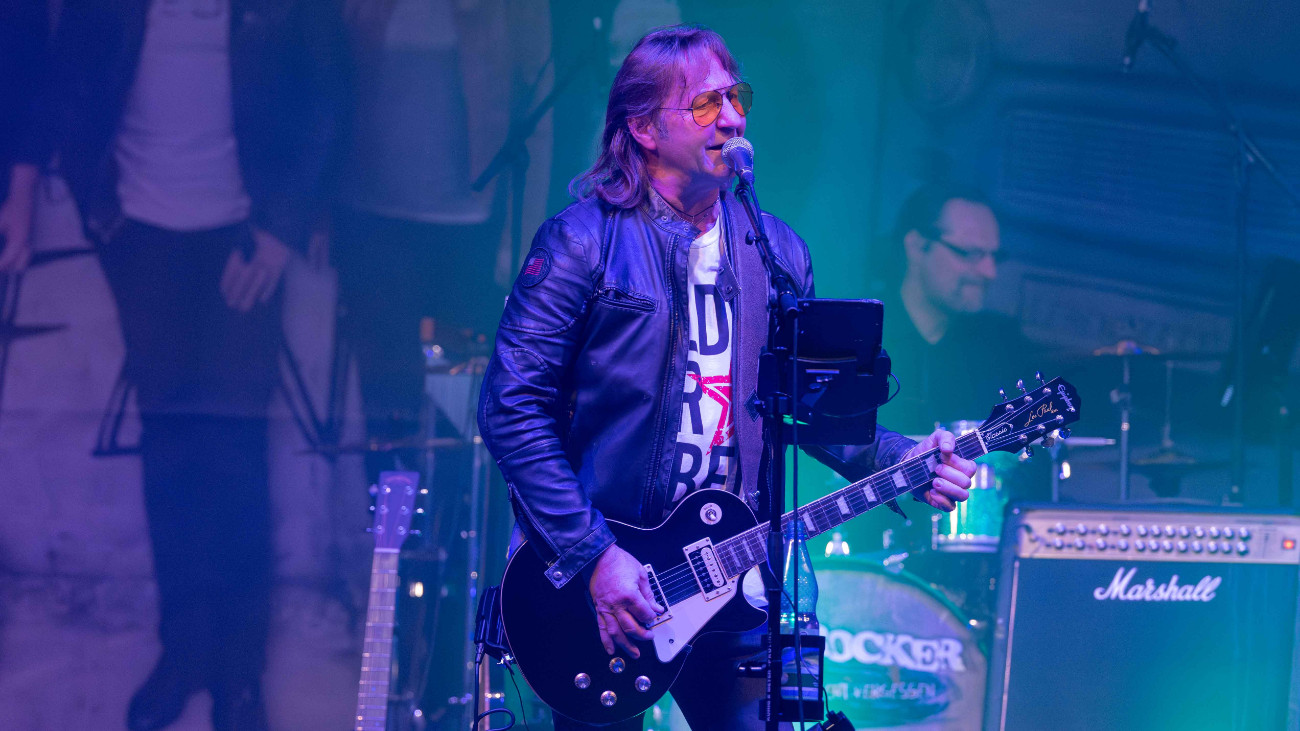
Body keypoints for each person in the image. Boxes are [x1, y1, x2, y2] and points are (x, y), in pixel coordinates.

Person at [478, 25, 976, 730]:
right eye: (707, 104)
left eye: (736, 98)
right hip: (606, 584)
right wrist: (593, 554)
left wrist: (903, 458)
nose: (734, 118)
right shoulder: (583, 242)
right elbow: (511, 407)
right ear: (645, 128)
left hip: (732, 574)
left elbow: (810, 411)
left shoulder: (777, 253)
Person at [0, 2, 344, 730]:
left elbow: (322, 92)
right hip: (142, 239)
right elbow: (73, 81)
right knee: (169, 450)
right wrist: (101, 212)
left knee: (236, 455)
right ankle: (182, 651)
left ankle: (238, 674)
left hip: (244, 239)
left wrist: (279, 231)